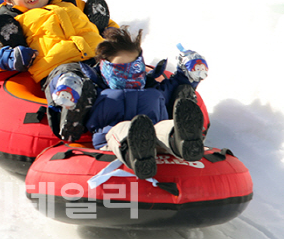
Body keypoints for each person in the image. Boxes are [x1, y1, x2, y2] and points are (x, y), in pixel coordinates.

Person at [0, 0, 117, 141]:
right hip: (58, 68)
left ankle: (144, 107)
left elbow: (108, 25)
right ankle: (66, 114)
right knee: (70, 79)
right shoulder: (9, 21)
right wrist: (7, 57)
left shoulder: (69, 2)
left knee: (121, 79)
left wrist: (113, 36)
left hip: (98, 59)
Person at [82, 26, 209, 180]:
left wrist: (190, 70)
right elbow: (72, 105)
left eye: (134, 69)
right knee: (124, 129)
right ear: (106, 70)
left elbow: (178, 84)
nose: (130, 76)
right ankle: (136, 151)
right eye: (121, 71)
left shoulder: (154, 89)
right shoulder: (97, 90)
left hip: (155, 135)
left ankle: (182, 139)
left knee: (163, 127)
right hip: (112, 140)